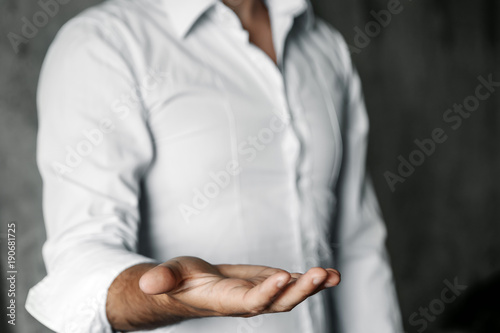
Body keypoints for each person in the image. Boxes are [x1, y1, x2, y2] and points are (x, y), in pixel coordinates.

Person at [26, 0, 404, 332]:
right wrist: (172, 297)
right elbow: (80, 261)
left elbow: (357, 241)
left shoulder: (325, 45)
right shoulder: (104, 43)